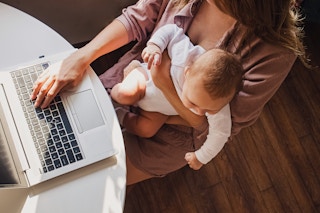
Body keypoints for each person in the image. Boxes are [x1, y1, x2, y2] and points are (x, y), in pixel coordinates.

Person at [31, 0, 308, 185]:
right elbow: (139, 18)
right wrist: (81, 58)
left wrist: (163, 84)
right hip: (133, 79)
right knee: (52, 148)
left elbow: (213, 126)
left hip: (174, 136)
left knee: (89, 180)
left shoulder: (275, 52)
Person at [110, 24, 243, 170]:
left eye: (208, 111)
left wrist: (201, 157)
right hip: (146, 81)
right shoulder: (186, 57)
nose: (199, 112)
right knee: (125, 95)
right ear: (187, 72)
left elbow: (221, 133)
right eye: (193, 103)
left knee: (146, 129)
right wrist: (155, 46)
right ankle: (110, 96)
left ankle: (118, 114)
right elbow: (172, 31)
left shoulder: (220, 102)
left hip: (159, 110)